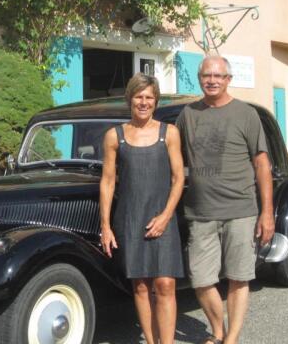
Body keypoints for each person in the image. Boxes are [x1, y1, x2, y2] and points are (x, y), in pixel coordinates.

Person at [176, 55, 275, 344]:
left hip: (240, 210)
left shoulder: (245, 114)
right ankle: (217, 329)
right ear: (199, 78)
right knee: (201, 279)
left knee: (238, 276)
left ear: (228, 79)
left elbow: (261, 164)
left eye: (219, 76)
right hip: (200, 211)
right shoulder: (188, 115)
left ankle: (230, 338)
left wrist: (266, 212)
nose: (212, 80)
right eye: (207, 75)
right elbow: (175, 158)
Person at [100, 73, 185, 344]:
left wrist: (166, 215)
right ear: (130, 99)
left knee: (165, 285)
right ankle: (151, 341)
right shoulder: (114, 136)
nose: (144, 102)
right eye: (139, 96)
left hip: (163, 218)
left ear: (156, 101)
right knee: (140, 286)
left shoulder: (169, 133)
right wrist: (105, 226)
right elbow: (108, 181)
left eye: (149, 97)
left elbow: (178, 178)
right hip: (130, 218)